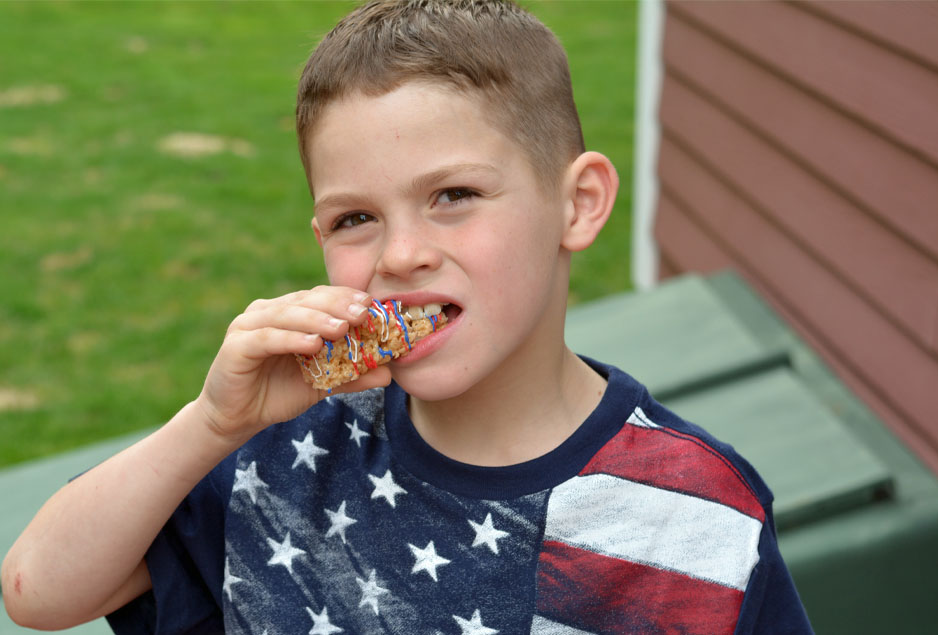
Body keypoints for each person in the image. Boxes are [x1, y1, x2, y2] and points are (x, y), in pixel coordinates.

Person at [2, 1, 812, 633]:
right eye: (355, 218)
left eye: (453, 196)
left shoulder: (698, 513)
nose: (401, 253)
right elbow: (35, 590)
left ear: (578, 203)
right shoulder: (283, 455)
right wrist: (212, 423)